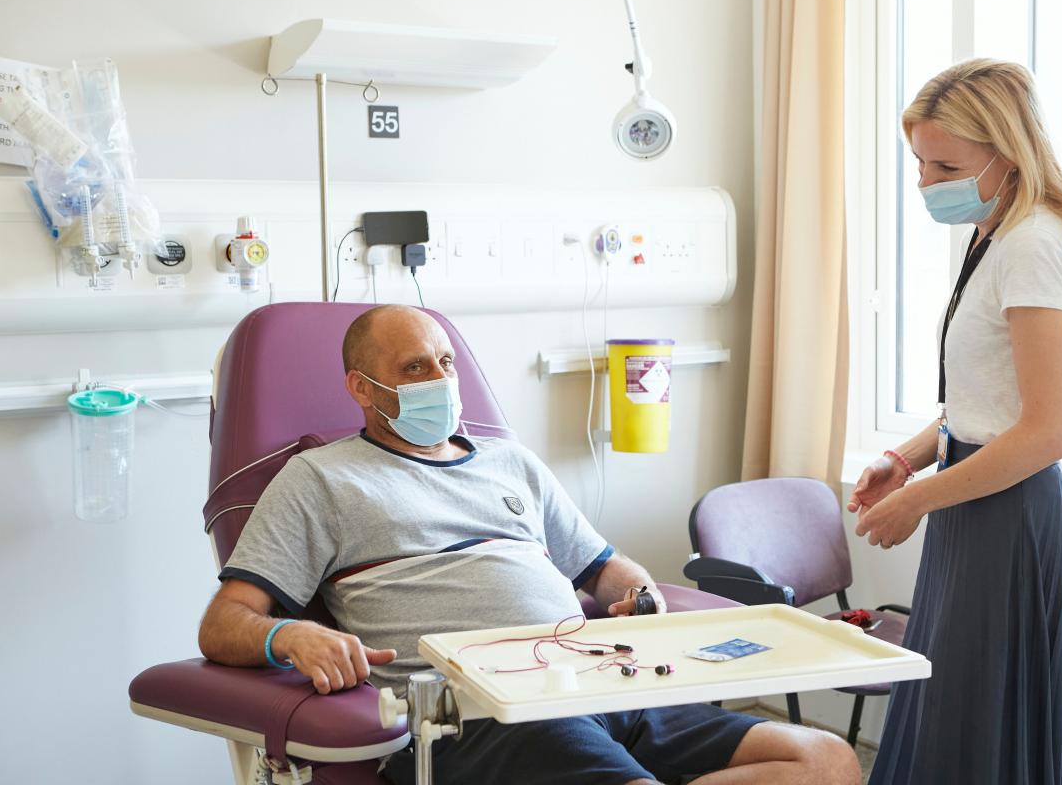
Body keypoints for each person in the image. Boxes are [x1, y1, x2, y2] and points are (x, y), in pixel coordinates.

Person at [198, 304, 859, 785]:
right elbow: (224, 623)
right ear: (362, 390)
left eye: (447, 361)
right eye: (414, 366)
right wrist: (290, 638)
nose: (440, 378)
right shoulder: (320, 479)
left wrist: (639, 592)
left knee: (827, 762)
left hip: (604, 688)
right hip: (483, 719)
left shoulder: (509, 463)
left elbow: (604, 569)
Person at [849, 59, 1062, 785]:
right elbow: (983, 405)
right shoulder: (994, 235)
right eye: (920, 162)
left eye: (945, 164)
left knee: (973, 723)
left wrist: (917, 500)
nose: (925, 182)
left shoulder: (1032, 246)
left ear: (1008, 154)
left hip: (1006, 512)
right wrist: (908, 460)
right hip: (975, 501)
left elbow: (1049, 430)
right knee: (949, 716)